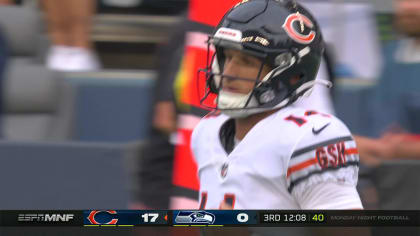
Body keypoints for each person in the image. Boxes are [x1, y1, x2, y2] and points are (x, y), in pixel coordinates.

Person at [191, 0, 363, 210]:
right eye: (227, 56)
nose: (229, 71)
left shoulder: (308, 139)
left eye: (247, 62)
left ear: (291, 74)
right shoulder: (206, 132)